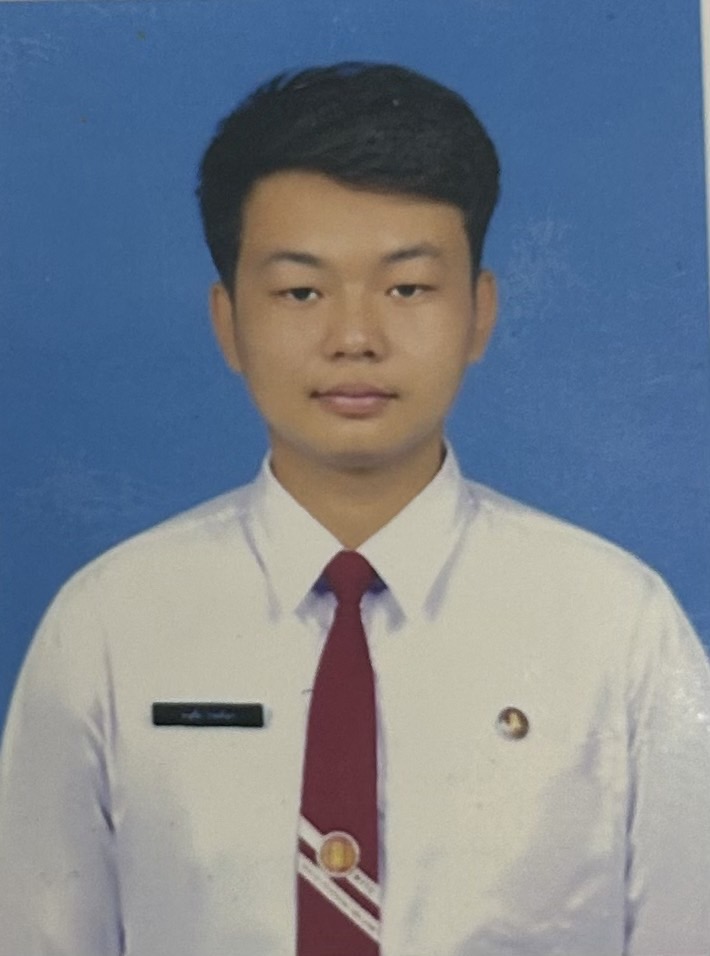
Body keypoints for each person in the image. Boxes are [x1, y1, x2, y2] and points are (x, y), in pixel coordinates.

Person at [1, 61, 709, 956]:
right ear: (227, 322)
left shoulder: (618, 625)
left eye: (407, 287)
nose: (355, 338)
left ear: (480, 312)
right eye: (301, 291)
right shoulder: (107, 626)